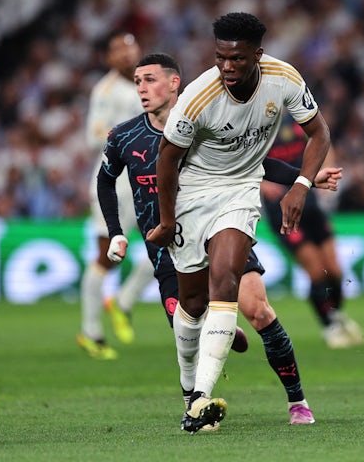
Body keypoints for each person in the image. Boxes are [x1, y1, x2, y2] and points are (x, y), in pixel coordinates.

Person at [97, 53, 342, 431]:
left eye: (150, 80)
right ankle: (197, 397)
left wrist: (305, 177)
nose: (142, 89)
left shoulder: (205, 115)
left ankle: (297, 400)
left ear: (175, 82)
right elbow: (104, 180)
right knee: (189, 326)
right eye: (137, 82)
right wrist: (116, 230)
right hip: (169, 250)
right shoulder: (125, 136)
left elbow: (254, 164)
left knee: (258, 309)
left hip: (221, 224)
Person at [76, 30, 155, 360]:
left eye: (130, 47)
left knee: (168, 242)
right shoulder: (105, 91)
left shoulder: (150, 81)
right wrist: (130, 139)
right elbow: (94, 138)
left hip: (149, 178)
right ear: (108, 59)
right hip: (116, 181)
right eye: (117, 51)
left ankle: (123, 301)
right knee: (107, 256)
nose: (125, 54)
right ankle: (91, 331)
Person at [262, 114, 364, 348]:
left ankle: (336, 317)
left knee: (336, 271)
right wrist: (262, 183)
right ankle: (330, 326)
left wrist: (326, 166)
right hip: (282, 209)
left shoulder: (296, 118)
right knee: (318, 272)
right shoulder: (256, 124)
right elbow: (241, 159)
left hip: (309, 199)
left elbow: (323, 139)